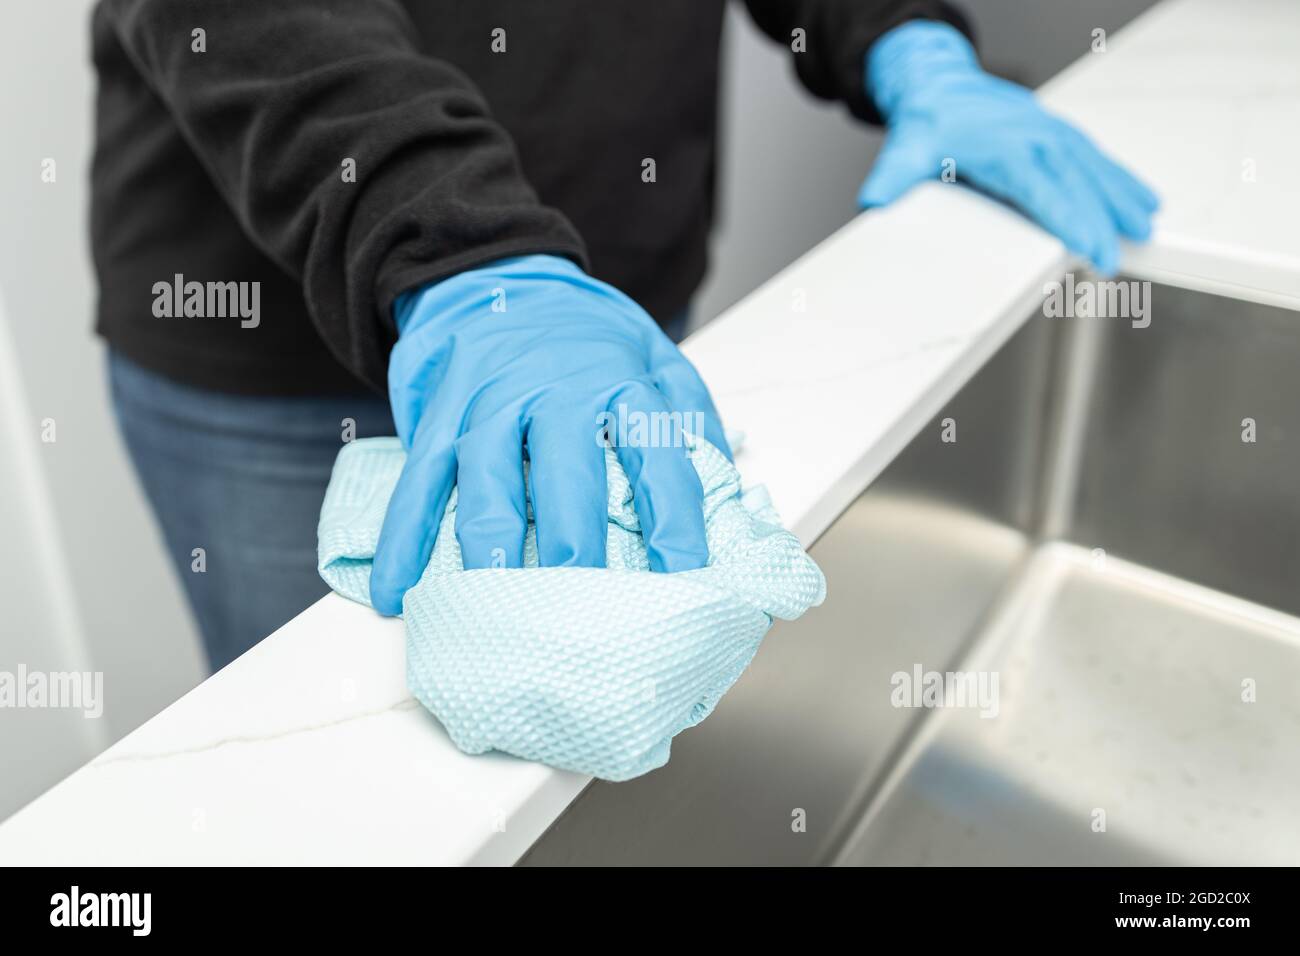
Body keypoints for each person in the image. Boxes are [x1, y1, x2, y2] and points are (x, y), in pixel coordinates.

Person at [92, 0, 1157, 671]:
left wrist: (902, 39)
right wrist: (458, 242)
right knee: (345, 796)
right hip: (276, 358)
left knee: (584, 756)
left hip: (610, 315)